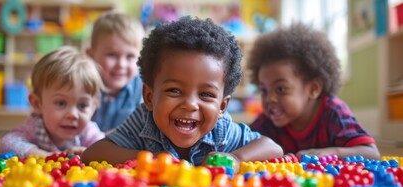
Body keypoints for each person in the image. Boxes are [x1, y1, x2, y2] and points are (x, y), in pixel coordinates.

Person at [82, 16, 283, 167]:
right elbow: (93, 153)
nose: (190, 104)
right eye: (175, 90)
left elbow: (274, 148)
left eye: (206, 94)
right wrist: (150, 159)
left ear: (222, 106)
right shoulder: (144, 121)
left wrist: (237, 158)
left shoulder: (222, 130)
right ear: (150, 97)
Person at [248, 23, 380, 160]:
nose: (270, 99)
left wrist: (334, 152)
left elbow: (371, 153)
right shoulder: (267, 121)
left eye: (280, 89)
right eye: (264, 91)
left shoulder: (333, 113)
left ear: (313, 89)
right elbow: (240, 143)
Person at [0, 46, 105, 158]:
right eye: (61, 103)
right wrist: (46, 156)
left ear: (93, 107)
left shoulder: (88, 131)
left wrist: (89, 153)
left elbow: (106, 149)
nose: (73, 114)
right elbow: (7, 144)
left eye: (82, 105)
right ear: (37, 104)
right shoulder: (35, 127)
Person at [86, 12, 145, 133]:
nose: (121, 65)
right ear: (91, 56)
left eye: (130, 57)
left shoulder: (144, 89)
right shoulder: (84, 84)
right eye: (111, 55)